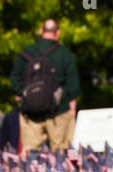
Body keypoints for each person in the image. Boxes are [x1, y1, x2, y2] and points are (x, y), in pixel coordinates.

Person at [10, 18, 79, 154]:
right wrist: (62, 100)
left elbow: (14, 81)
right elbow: (74, 87)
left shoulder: (26, 53)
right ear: (58, 33)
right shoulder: (64, 54)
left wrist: (25, 97)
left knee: (29, 156)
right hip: (58, 113)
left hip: (30, 114)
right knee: (62, 157)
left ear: (41, 31)